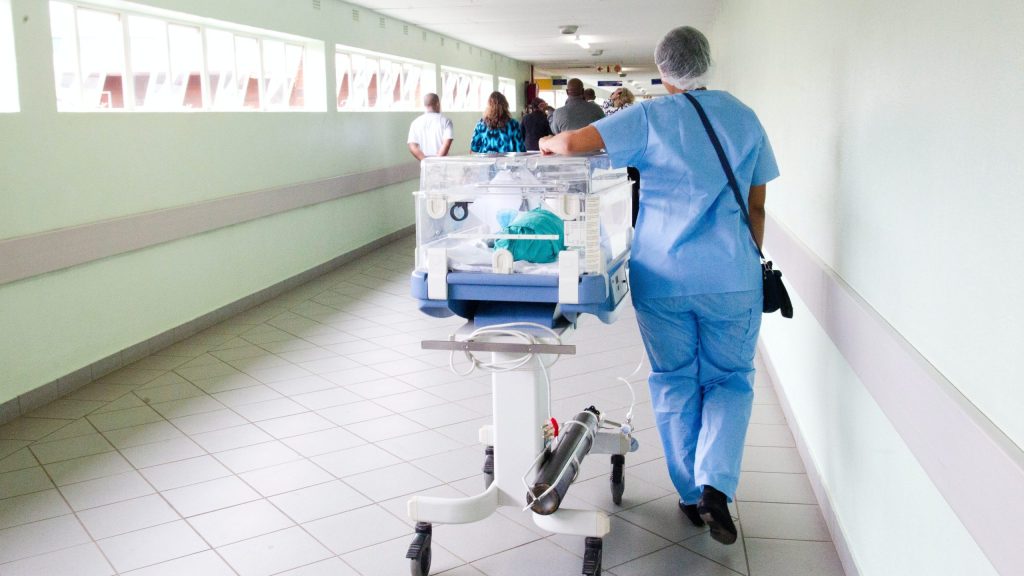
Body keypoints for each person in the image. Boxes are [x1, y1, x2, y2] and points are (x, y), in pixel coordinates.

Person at [540, 26, 779, 546]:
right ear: (707, 63)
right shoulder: (745, 117)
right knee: (729, 380)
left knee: (674, 379)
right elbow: (757, 207)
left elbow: (573, 144)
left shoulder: (650, 116)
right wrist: (740, 258)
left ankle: (692, 496)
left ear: (663, 69)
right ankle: (717, 484)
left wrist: (546, 137)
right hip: (732, 278)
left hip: (663, 276)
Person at [407, 93, 454, 160]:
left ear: (425, 105)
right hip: (442, 164)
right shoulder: (446, 121)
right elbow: (446, 144)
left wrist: (425, 161)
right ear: (437, 104)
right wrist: (436, 162)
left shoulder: (415, 123)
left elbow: (412, 146)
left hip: (425, 166)